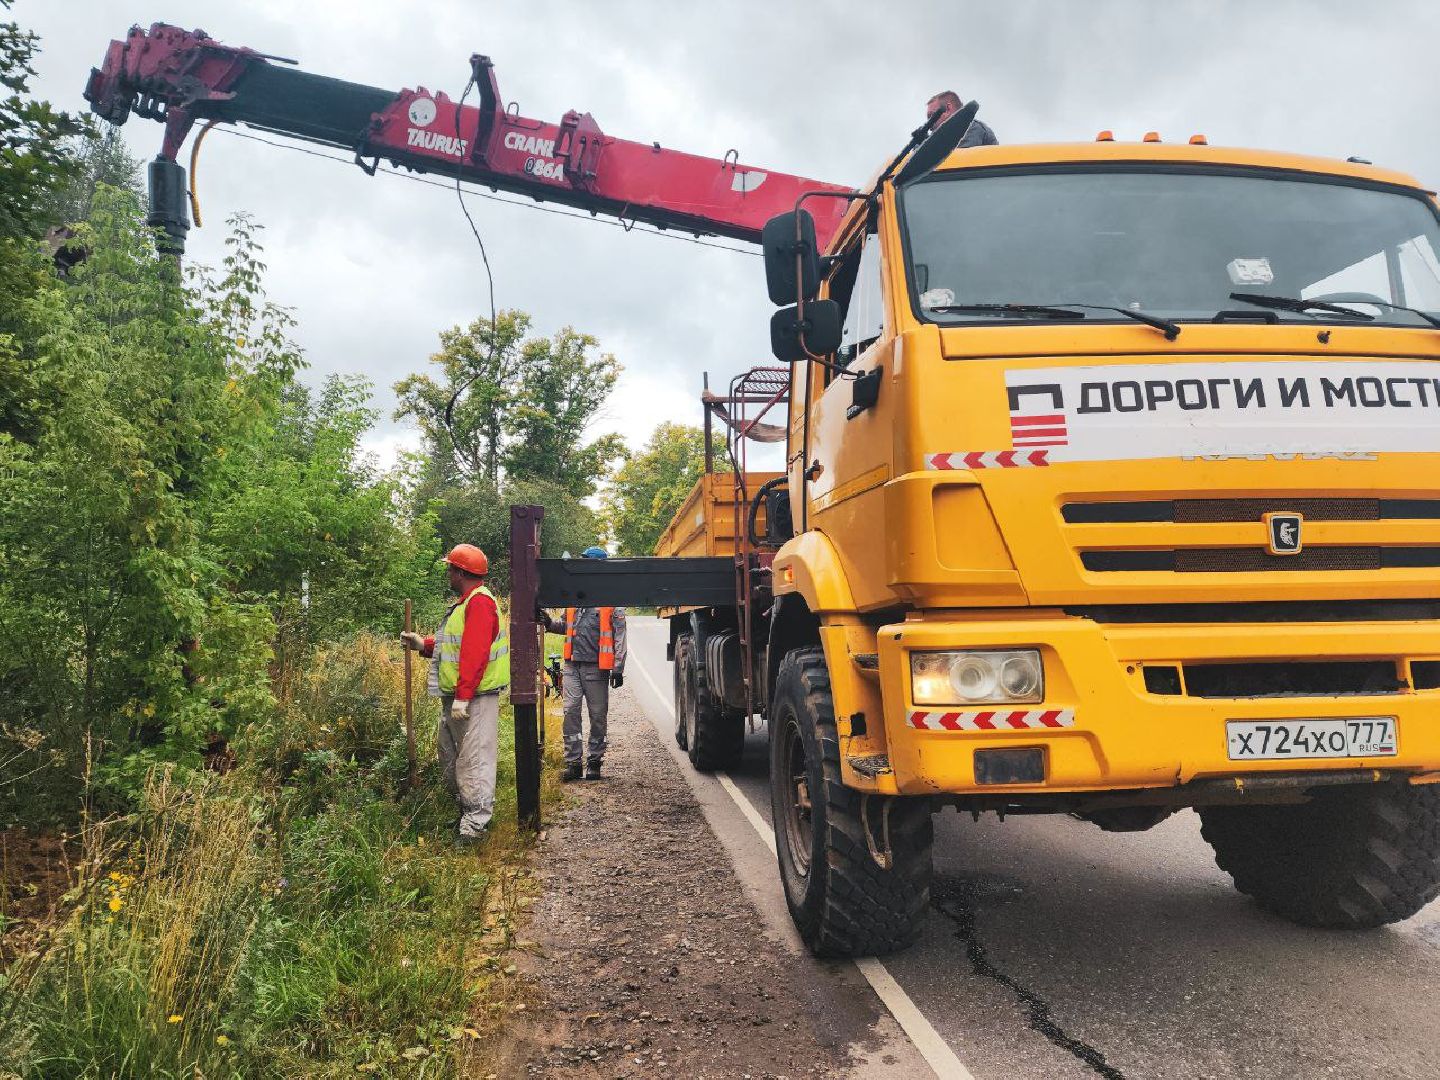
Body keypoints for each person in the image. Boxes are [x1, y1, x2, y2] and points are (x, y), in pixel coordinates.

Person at [401, 543, 509, 842]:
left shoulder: (480, 603)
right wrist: (423, 644)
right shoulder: (467, 603)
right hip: (460, 697)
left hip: (474, 698)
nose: (448, 573)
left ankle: (475, 826)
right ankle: (467, 814)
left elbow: (474, 653)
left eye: (451, 568)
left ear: (461, 572)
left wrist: (463, 695)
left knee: (473, 760)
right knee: (451, 758)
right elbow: (454, 645)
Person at [538, 546, 627, 782]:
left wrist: (618, 667)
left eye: (587, 562)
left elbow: (619, 636)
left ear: (597, 566)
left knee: (597, 716)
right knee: (570, 713)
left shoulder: (611, 599)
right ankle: (573, 763)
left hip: (596, 669)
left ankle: (595, 762)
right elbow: (564, 626)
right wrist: (548, 623)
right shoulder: (574, 596)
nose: (582, 565)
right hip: (572, 667)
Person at [925, 89, 998, 146]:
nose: (929, 123)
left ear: (948, 108)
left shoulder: (969, 128)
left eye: (932, 115)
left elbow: (955, 159)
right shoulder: (940, 136)